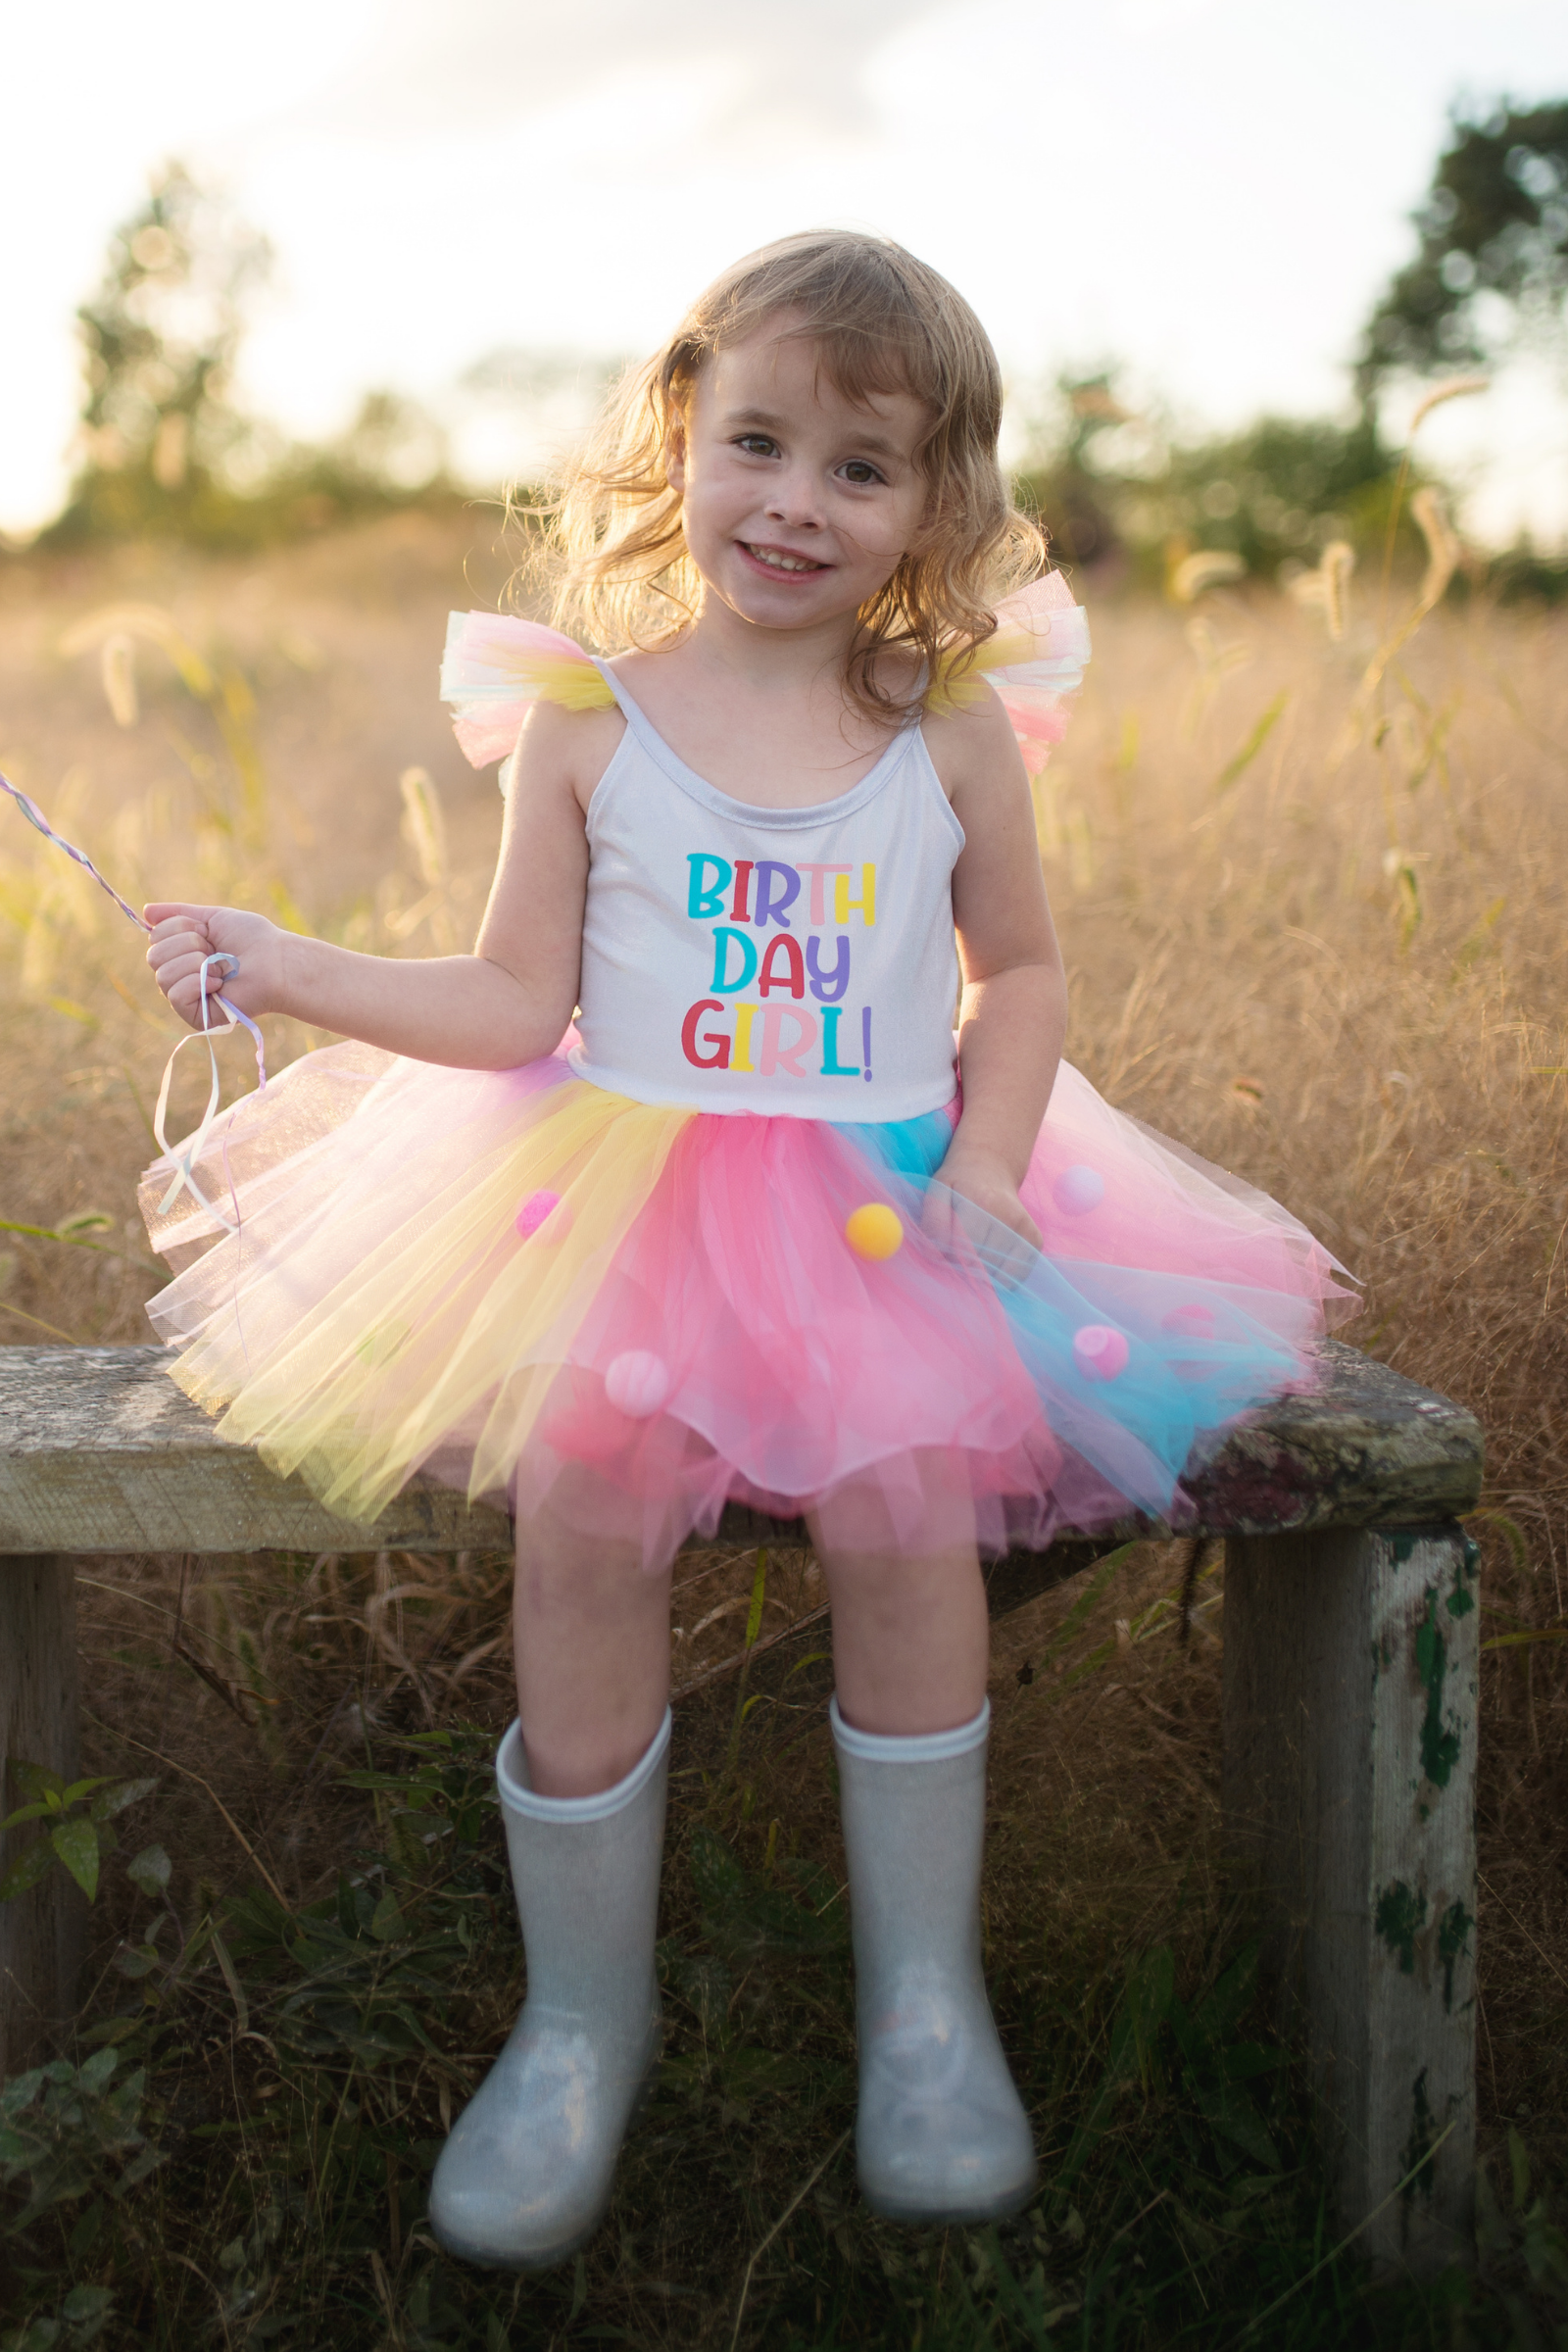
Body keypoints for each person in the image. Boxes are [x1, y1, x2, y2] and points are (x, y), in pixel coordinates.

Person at [141, 231, 1354, 2272]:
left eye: (860, 467)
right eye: (759, 444)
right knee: (585, 1508)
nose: (796, 500)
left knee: (904, 1506)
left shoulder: (945, 726)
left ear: (935, 500)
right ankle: (578, 2025)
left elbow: (1023, 971)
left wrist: (990, 1158)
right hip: (620, 1198)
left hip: (888, 1195)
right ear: (679, 443)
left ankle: (923, 2012)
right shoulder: (587, 723)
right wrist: (283, 961)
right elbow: (511, 1001)